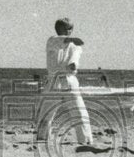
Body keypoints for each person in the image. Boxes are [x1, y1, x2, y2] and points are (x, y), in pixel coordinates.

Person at [36, 17, 93, 146]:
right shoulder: (51, 41)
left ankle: (85, 139)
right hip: (53, 80)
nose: (71, 31)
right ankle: (42, 137)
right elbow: (60, 42)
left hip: (69, 79)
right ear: (60, 29)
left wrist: (73, 64)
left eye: (71, 29)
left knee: (79, 110)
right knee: (46, 111)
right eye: (68, 28)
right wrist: (71, 39)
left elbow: (76, 54)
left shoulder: (74, 45)